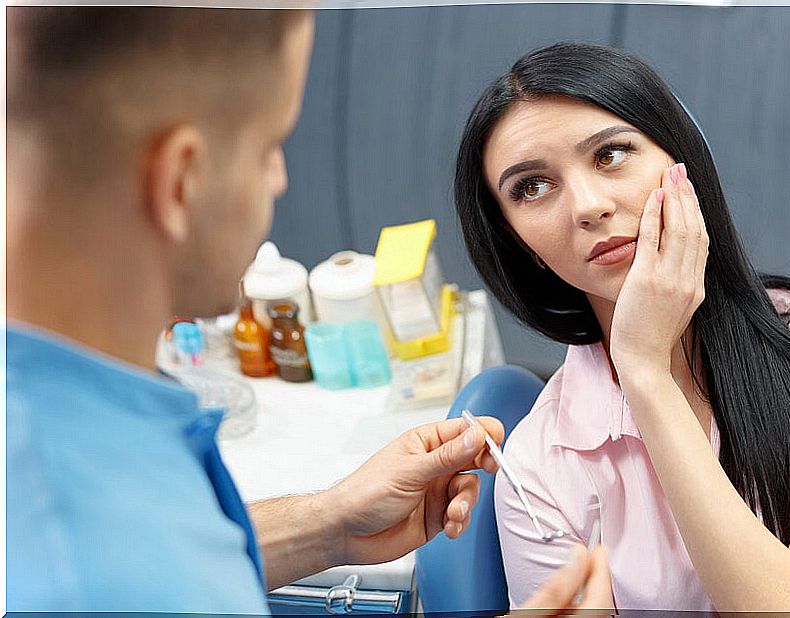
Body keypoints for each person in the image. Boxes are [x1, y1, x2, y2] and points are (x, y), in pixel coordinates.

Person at [6, 8, 614, 614]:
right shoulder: (77, 566)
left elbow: (152, 551)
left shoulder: (92, 430)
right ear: (180, 184)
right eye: (270, 146)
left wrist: (329, 525)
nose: (279, 179)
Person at [453, 42, 790, 612]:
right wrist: (643, 367)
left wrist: (645, 371)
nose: (588, 205)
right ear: (520, 244)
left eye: (611, 154)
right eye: (532, 186)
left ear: (683, 165)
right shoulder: (537, 470)